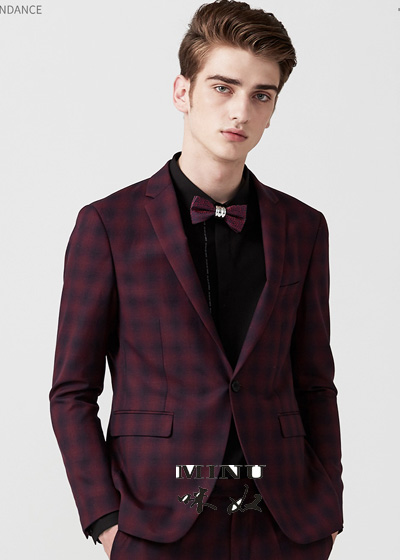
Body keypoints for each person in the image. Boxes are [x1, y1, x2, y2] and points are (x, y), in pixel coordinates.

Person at [49, 1, 344, 559]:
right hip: (157, 521)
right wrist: (106, 520)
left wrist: (328, 508)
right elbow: (72, 391)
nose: (240, 111)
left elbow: (314, 382)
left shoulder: (303, 228)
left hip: (284, 523)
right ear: (182, 92)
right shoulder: (108, 226)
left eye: (261, 95)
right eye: (222, 87)